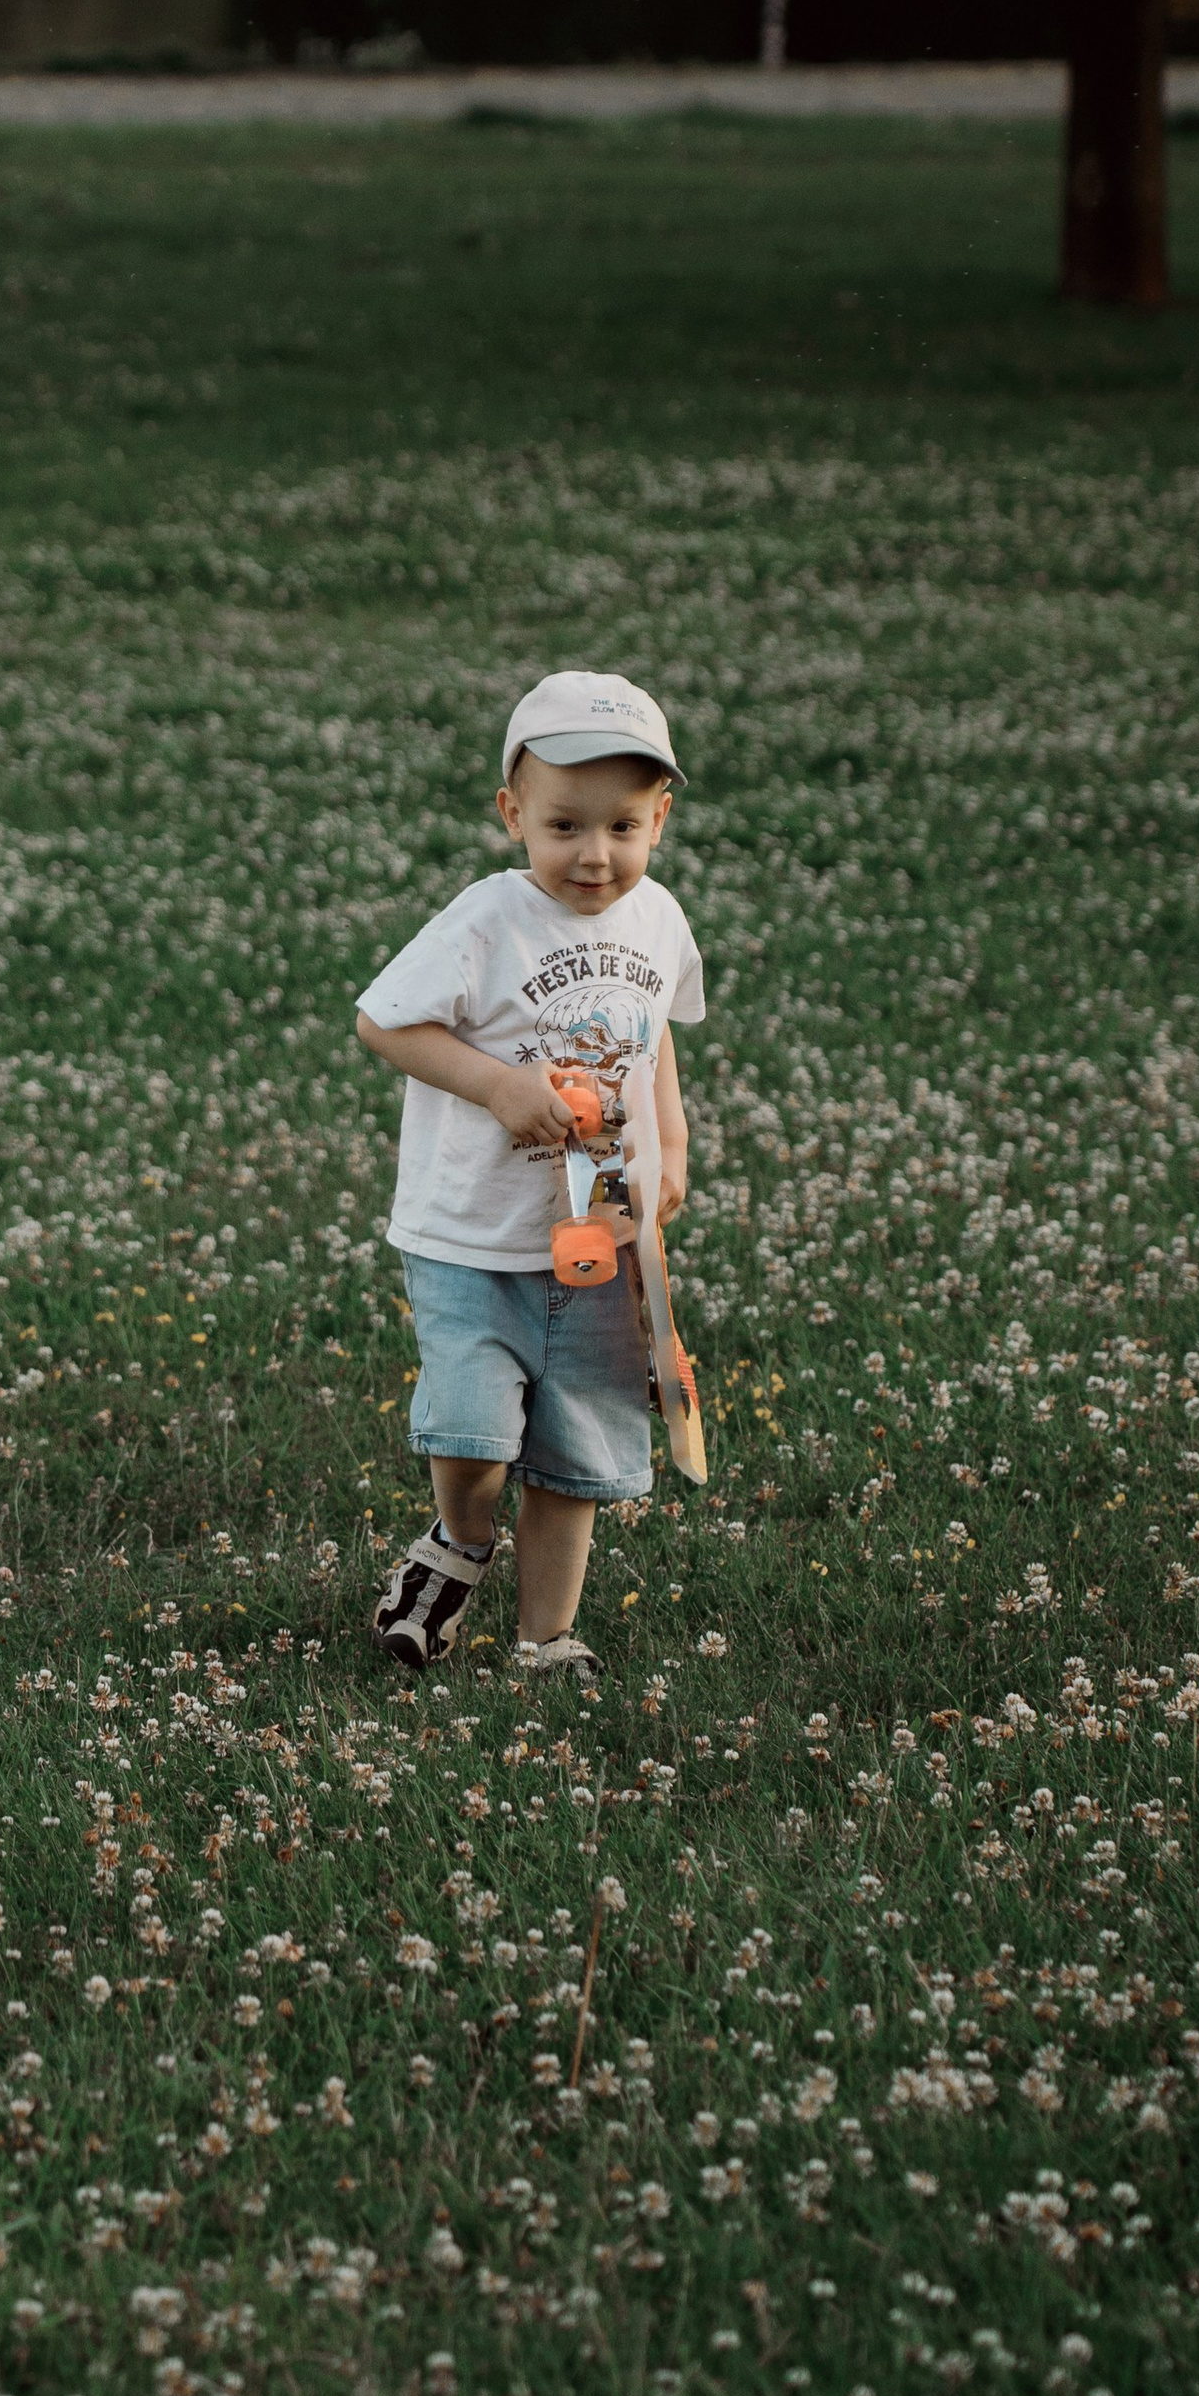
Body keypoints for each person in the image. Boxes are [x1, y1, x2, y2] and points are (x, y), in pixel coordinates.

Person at [353, 671, 704, 1680]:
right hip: (472, 1237)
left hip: (600, 1242)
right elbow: (383, 1020)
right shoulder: (486, 920)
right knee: (473, 1434)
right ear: (512, 815)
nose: (594, 855)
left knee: (576, 1459)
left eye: (622, 827)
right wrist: (497, 1088)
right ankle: (458, 1541)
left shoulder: (658, 921)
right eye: (563, 826)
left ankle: (545, 1637)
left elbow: (656, 1044)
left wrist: (669, 1145)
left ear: (658, 819)